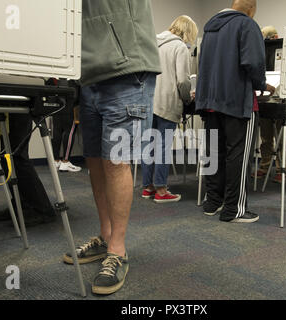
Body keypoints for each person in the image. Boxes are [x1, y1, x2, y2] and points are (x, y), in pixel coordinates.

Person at [62, 0, 161, 295]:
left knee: (117, 162)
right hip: (89, 75)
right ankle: (106, 236)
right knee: (94, 159)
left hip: (126, 69)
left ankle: (117, 249)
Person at [195, 0, 275, 223]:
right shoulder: (247, 25)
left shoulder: (210, 27)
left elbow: (203, 65)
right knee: (238, 156)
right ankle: (234, 209)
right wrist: (262, 84)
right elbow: (254, 62)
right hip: (237, 102)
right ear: (251, 9)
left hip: (211, 102)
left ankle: (213, 202)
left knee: (215, 154)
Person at [141, 15, 198, 203]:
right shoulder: (180, 47)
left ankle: (148, 187)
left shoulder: (153, 42)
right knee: (163, 147)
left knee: (149, 146)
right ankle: (162, 190)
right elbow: (182, 80)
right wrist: (186, 96)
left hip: (149, 101)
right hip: (167, 102)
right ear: (188, 31)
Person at [0, 113, 57, 227]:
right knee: (6, 158)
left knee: (18, 158)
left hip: (19, 106)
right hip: (7, 108)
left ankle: (43, 209)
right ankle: (21, 206)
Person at [255, 26, 286, 183]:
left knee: (283, 138)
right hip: (265, 98)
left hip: (282, 99)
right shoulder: (261, 52)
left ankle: (281, 169)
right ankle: (264, 166)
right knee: (265, 138)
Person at [46, 79, 82, 173]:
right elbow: (77, 95)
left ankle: (56, 161)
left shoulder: (53, 76)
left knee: (56, 131)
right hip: (70, 105)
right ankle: (65, 161)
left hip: (56, 105)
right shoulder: (72, 76)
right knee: (69, 132)